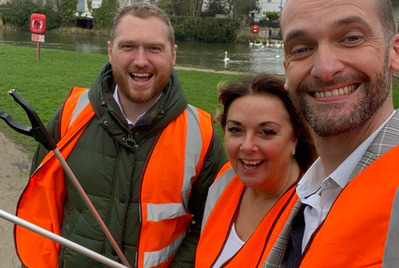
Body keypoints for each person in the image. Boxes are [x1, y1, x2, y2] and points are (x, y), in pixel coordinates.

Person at [14, 3, 227, 268]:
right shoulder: (71, 113)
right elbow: (41, 207)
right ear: (110, 51)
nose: (140, 60)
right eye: (128, 47)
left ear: (173, 55)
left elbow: (216, 221)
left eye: (154, 48)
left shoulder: (201, 133)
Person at [264, 0, 399, 267]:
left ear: (394, 52)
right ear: (287, 71)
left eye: (351, 38)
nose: (325, 70)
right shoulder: (307, 192)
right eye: (301, 49)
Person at [195, 74, 316, 267]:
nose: (247, 146)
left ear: (295, 138)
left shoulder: (312, 215)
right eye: (236, 130)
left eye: (266, 132)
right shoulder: (224, 180)